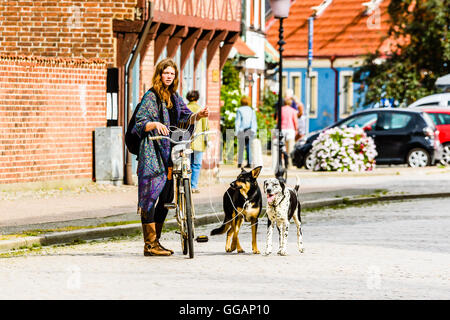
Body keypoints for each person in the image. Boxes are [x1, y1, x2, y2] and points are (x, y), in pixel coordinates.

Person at [132, 58, 209, 256]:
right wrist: (154, 124)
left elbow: (185, 116)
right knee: (150, 196)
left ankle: (155, 241)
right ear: (160, 74)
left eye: (172, 74)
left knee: (167, 197)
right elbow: (139, 124)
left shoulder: (174, 97)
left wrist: (198, 116)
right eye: (166, 73)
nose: (169, 77)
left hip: (169, 153)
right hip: (152, 153)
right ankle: (149, 244)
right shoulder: (151, 96)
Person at [186, 90, 209, 193]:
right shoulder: (200, 109)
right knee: (196, 164)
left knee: (186, 164)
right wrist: (208, 141)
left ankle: (185, 184)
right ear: (197, 98)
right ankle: (193, 186)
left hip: (185, 142)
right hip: (198, 142)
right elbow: (206, 127)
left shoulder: (185, 108)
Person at [235, 96, 257, 168]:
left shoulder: (239, 110)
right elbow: (254, 121)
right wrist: (254, 130)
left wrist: (236, 131)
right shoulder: (251, 110)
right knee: (248, 147)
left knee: (241, 147)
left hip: (242, 130)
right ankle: (249, 163)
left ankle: (240, 163)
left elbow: (238, 121)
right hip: (250, 129)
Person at [280, 97, 298, 168]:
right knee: (290, 147)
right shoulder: (293, 111)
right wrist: (296, 129)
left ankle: (282, 162)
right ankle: (289, 164)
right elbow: (295, 121)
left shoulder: (281, 110)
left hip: (282, 129)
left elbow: (278, 120)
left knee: (282, 147)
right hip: (290, 129)